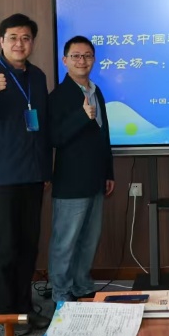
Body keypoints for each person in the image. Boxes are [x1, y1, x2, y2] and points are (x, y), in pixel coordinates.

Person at [0, 14, 52, 335]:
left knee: (28, 246)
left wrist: (45, 170)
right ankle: (5, 316)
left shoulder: (37, 76)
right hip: (1, 177)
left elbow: (42, 127)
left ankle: (24, 309)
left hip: (32, 175)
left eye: (26, 38)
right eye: (13, 37)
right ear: (1, 41)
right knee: (4, 247)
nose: (20, 43)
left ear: (32, 42)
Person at [48, 36, 115, 303]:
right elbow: (54, 138)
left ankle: (81, 285)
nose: (82, 61)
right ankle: (61, 293)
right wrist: (81, 116)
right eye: (76, 56)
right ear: (65, 61)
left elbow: (103, 136)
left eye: (87, 56)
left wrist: (109, 173)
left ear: (94, 60)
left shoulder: (96, 91)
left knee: (89, 239)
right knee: (65, 242)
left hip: (96, 179)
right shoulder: (58, 96)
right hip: (71, 183)